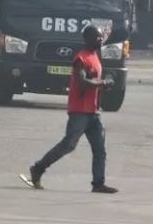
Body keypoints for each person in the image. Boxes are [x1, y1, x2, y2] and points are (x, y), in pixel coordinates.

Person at [20, 25, 118, 194]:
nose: (100, 40)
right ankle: (38, 168)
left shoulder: (95, 57)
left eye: (101, 37)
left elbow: (94, 83)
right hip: (79, 111)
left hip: (94, 111)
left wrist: (105, 86)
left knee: (100, 150)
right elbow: (83, 83)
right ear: (87, 39)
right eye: (97, 37)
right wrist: (103, 83)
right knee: (68, 145)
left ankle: (98, 183)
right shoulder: (80, 59)